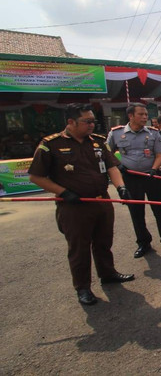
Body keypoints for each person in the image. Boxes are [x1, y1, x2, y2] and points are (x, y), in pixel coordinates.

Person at [28, 103, 135, 306]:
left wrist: (120, 187)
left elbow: (111, 166)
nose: (92, 125)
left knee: (104, 241)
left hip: (102, 201)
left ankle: (108, 273)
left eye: (93, 121)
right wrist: (63, 192)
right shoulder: (51, 144)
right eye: (87, 121)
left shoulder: (98, 142)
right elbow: (36, 176)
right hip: (74, 206)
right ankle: (83, 287)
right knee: (79, 248)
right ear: (71, 122)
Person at [107, 103, 161, 257]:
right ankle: (143, 243)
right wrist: (119, 165)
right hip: (130, 178)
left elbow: (159, 155)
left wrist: (154, 169)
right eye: (141, 114)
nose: (145, 117)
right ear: (131, 116)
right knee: (137, 213)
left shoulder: (153, 133)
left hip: (151, 176)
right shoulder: (116, 134)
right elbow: (107, 153)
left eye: (146, 114)